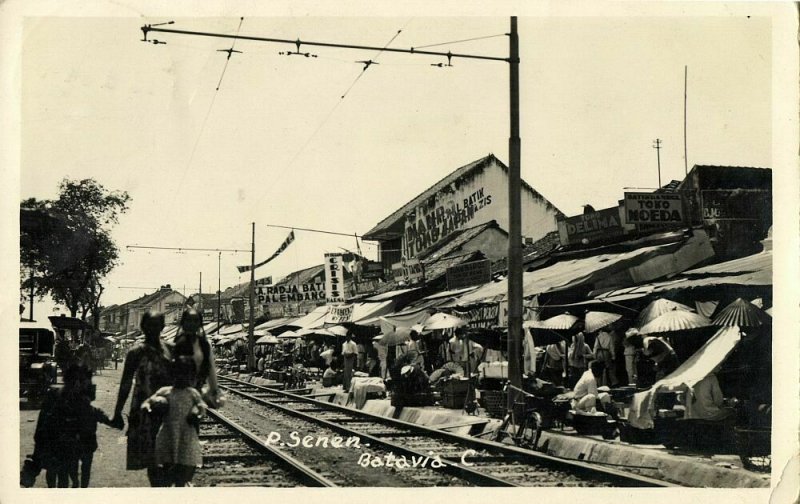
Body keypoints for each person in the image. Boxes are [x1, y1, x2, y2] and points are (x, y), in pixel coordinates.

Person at [110, 311, 174, 487]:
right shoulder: (135, 352)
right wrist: (117, 412)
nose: (153, 329)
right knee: (152, 458)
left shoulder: (170, 349)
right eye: (149, 325)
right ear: (143, 327)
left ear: (162, 327)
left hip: (168, 409)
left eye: (156, 325)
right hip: (144, 411)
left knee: (169, 456)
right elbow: (125, 383)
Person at [31, 362, 112, 488]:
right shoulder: (56, 397)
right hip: (57, 444)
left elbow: (93, 413)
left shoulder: (80, 400)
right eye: (82, 382)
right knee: (57, 475)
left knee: (64, 477)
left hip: (69, 447)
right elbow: (43, 424)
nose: (85, 385)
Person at [142, 356, 207, 487]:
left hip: (186, 433)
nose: (181, 377)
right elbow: (147, 402)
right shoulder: (165, 391)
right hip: (168, 432)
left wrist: (197, 412)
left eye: (185, 374)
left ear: (189, 376)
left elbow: (202, 407)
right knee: (167, 462)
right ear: (172, 375)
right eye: (178, 374)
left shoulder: (192, 393)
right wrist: (151, 407)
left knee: (184, 466)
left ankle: (180, 485)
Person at [172, 308, 223, 408]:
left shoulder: (204, 345)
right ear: (183, 322)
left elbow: (210, 369)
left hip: (196, 391)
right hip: (176, 392)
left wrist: (214, 390)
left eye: (195, 321)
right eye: (189, 320)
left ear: (200, 324)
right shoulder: (175, 343)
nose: (192, 324)